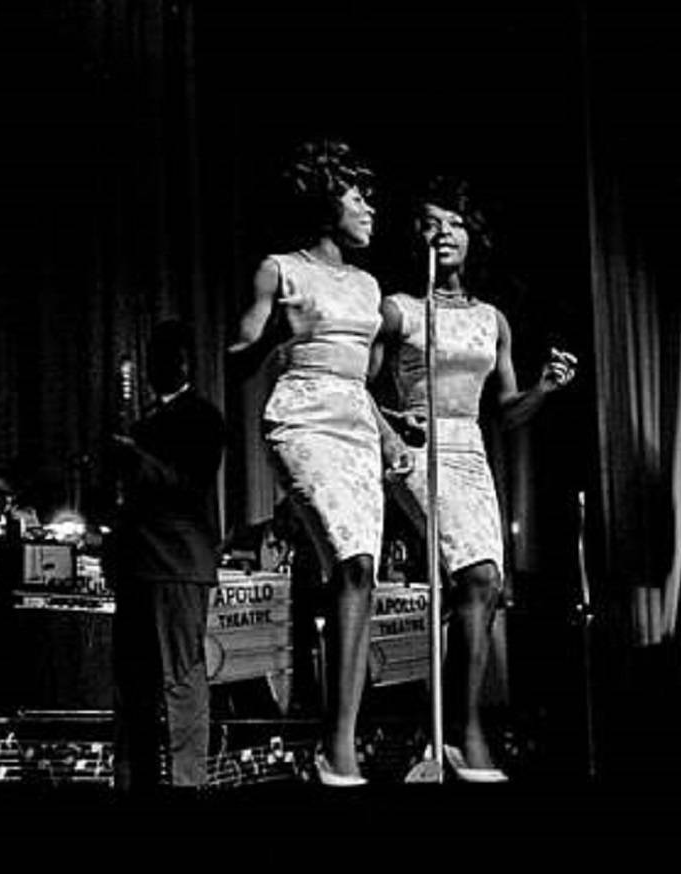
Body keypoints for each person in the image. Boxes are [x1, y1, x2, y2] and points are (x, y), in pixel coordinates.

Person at [369, 176, 578, 781]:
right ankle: (466, 729)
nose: (445, 233)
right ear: (418, 240)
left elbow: (507, 412)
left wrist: (545, 388)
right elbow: (358, 384)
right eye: (432, 224)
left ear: (470, 237)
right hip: (417, 447)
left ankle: (439, 731)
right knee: (474, 574)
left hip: (471, 450)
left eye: (455, 224)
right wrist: (390, 422)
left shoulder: (493, 319)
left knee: (483, 592)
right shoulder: (400, 308)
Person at [229, 139, 410, 786]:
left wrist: (392, 429)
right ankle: (333, 741)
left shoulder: (368, 285)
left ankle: (339, 745)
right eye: (357, 196)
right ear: (324, 200)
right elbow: (241, 353)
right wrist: (273, 335)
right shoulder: (279, 270)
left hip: (356, 425)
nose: (369, 209)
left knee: (357, 574)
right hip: (301, 419)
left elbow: (365, 382)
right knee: (351, 559)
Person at [109, 318, 226, 793]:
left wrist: (136, 458)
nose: (157, 367)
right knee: (133, 687)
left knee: (180, 678)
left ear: (181, 363)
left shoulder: (203, 418)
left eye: (165, 358)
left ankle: (186, 782)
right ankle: (137, 780)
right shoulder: (143, 424)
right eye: (152, 358)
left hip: (178, 562)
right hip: (138, 565)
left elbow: (187, 486)